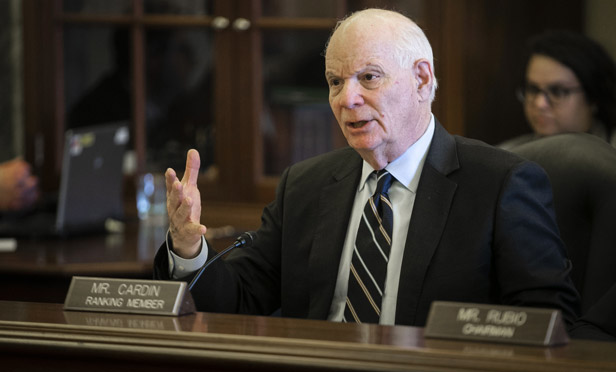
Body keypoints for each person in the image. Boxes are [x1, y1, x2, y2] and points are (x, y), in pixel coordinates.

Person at [154, 9, 580, 328]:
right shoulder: (305, 186)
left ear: (421, 79)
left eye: (369, 78)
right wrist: (189, 249)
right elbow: (238, 301)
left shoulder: (500, 185)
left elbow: (548, 324)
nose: (347, 99)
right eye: (335, 82)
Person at [500, 30, 616, 150]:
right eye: (533, 89)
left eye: (558, 92)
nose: (539, 104)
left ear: (593, 97)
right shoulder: (506, 156)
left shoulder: (611, 157)